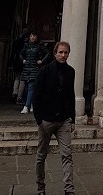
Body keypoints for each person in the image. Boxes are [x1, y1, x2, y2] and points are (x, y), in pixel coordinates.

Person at [33, 41, 76, 195]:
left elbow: (71, 95)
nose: (63, 55)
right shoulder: (44, 71)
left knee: (67, 154)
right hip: (46, 120)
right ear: (55, 53)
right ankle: (40, 188)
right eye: (61, 52)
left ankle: (69, 190)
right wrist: (39, 119)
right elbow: (36, 96)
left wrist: (73, 119)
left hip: (63, 120)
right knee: (41, 155)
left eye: (66, 53)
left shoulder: (71, 71)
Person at [20, 32, 51, 114]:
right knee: (27, 88)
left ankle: (26, 106)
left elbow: (48, 53)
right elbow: (20, 54)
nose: (32, 37)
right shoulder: (26, 46)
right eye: (31, 36)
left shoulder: (39, 47)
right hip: (27, 69)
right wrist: (23, 60)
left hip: (35, 69)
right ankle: (32, 103)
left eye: (34, 36)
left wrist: (42, 61)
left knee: (31, 87)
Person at [9, 28, 29, 103]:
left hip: (16, 61)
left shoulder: (16, 41)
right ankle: (19, 96)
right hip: (24, 61)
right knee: (22, 78)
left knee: (17, 77)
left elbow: (13, 52)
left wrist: (10, 63)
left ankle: (15, 92)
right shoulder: (27, 43)